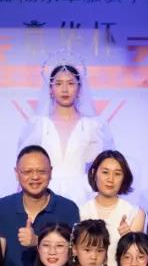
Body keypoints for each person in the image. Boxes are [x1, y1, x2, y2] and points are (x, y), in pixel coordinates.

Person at [17, 59, 113, 202]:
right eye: (58, 83)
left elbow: (104, 164)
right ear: (50, 89)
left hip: (83, 193)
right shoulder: (38, 125)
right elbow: (25, 163)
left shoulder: (93, 126)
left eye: (70, 83)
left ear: (79, 88)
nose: (65, 89)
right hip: (43, 191)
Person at [0, 145, 80, 266]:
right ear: (16, 173)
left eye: (41, 171)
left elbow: (75, 254)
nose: (35, 177)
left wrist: (38, 241)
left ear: (51, 172)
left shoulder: (68, 208)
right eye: (27, 172)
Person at [79, 151, 145, 266]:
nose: (110, 179)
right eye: (105, 172)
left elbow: (136, 260)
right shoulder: (81, 212)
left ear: (124, 178)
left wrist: (129, 237)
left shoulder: (134, 213)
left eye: (117, 174)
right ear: (94, 173)